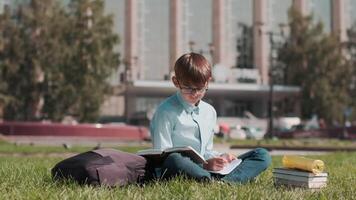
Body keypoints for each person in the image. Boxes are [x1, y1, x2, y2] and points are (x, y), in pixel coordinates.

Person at [149, 52, 271, 184]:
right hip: (178, 169)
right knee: (174, 159)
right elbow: (162, 157)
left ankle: (222, 183)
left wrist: (220, 158)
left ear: (208, 82)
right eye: (189, 88)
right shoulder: (165, 111)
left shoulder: (209, 112)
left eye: (200, 88)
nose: (195, 94)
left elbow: (206, 151)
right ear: (176, 82)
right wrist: (204, 166)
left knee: (261, 155)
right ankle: (217, 180)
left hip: (207, 169)